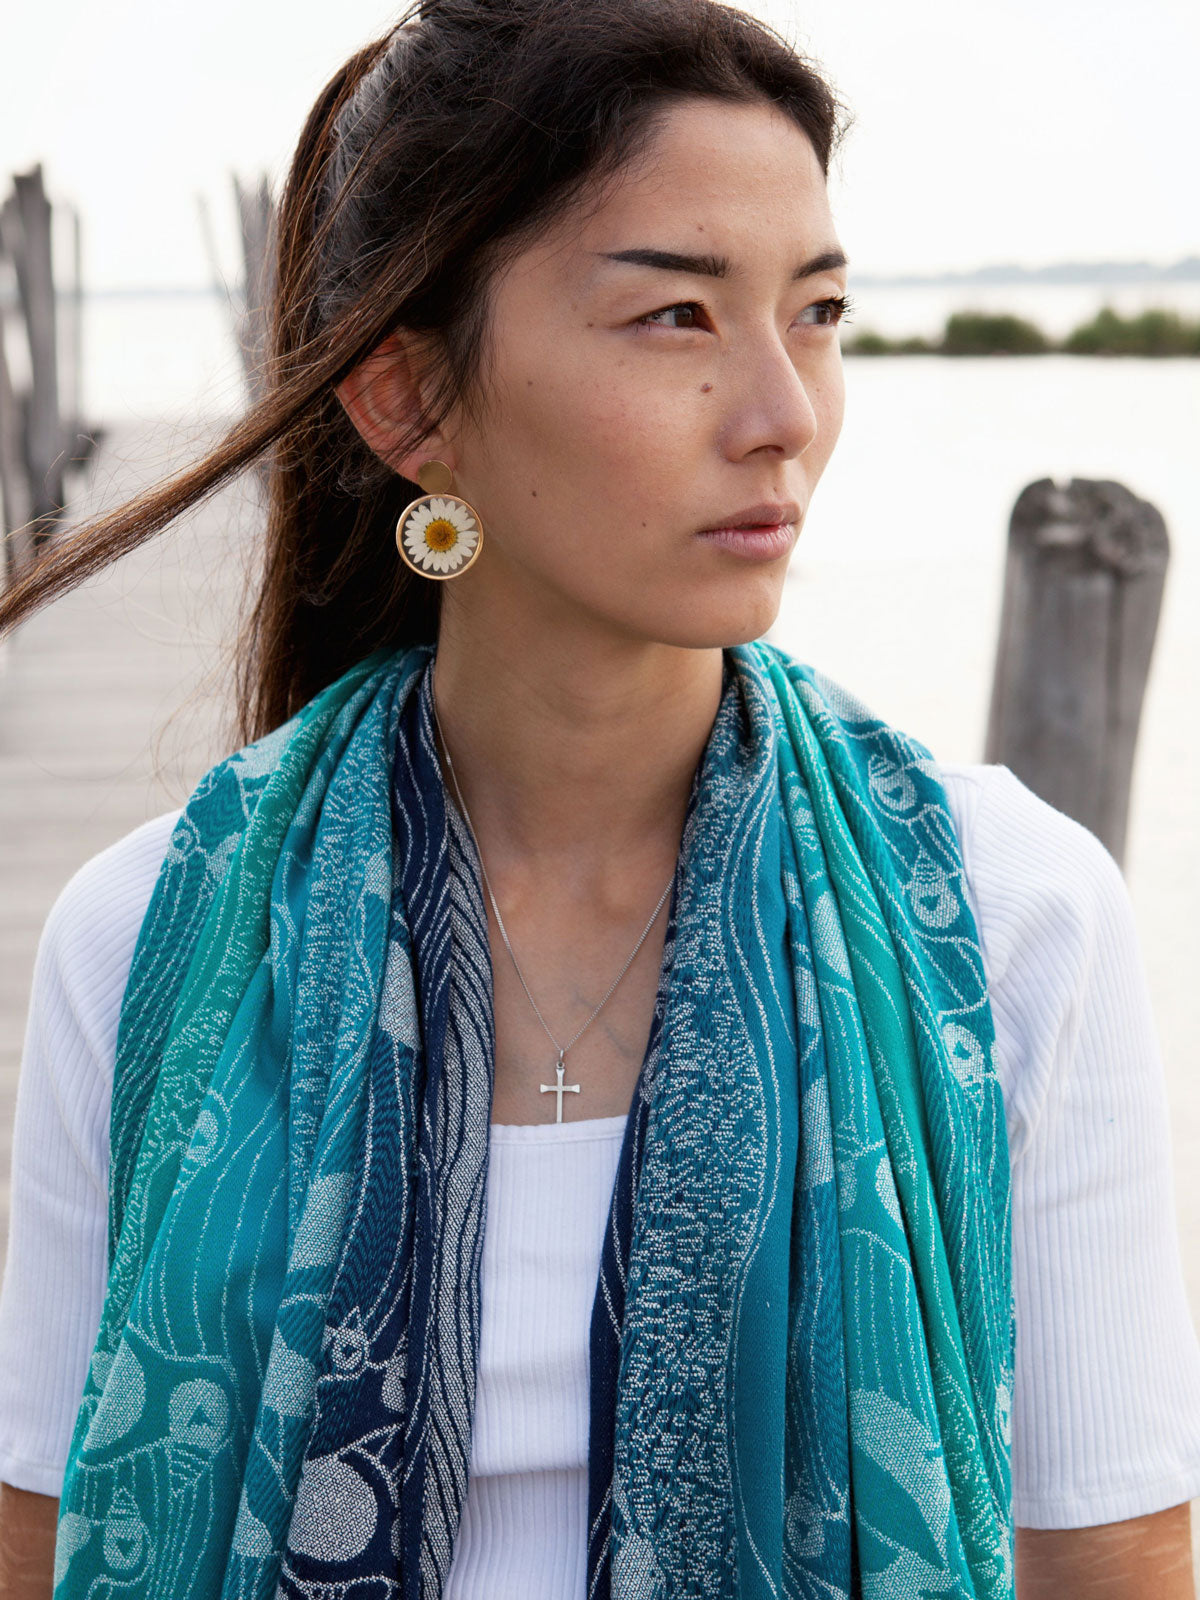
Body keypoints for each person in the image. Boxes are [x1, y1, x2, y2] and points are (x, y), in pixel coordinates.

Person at [1, 1, 1199, 1595]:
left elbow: (1114, 1554)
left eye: (819, 312)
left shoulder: (1009, 916)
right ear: (406, 399)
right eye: (678, 317)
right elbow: (42, 1540)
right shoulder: (152, 938)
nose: (786, 414)